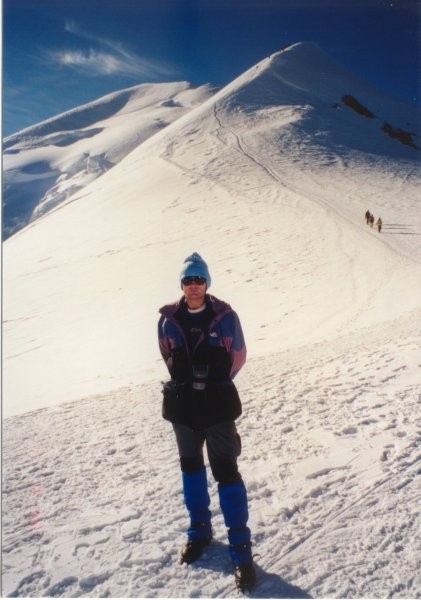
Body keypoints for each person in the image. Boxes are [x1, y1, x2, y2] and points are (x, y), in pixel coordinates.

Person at [158, 252, 256, 592]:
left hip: (217, 406)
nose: (194, 286)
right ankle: (199, 530)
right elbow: (166, 352)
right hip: (184, 409)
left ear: (207, 282)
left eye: (199, 279)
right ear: (182, 285)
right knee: (190, 469)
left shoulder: (225, 316)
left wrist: (213, 384)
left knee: (226, 471)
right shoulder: (168, 319)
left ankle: (241, 550)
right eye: (188, 280)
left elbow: (238, 356)